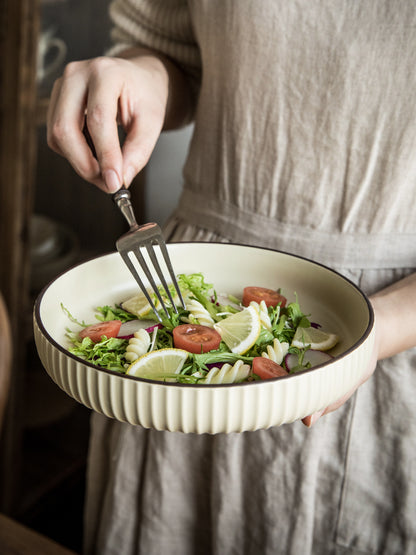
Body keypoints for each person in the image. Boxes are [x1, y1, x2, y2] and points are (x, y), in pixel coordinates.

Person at [47, 1, 416, 554]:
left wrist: (377, 330)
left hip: (387, 322)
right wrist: (140, 74)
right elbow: (169, 51)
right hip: (188, 287)